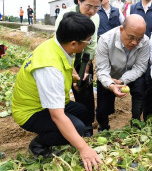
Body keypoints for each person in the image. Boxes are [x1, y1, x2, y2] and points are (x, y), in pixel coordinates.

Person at [12, 12, 102, 171]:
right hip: (30, 111)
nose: (88, 43)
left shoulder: (59, 45)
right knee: (78, 128)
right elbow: (57, 116)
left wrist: (76, 78)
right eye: (87, 41)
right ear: (74, 43)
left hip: (42, 102)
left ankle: (66, 136)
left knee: (82, 111)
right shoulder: (49, 69)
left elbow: (67, 66)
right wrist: (84, 149)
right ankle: (39, 145)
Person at [55, 0, 102, 137]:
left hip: (82, 58)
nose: (92, 11)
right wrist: (72, 74)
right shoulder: (65, 16)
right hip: (64, 57)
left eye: (96, 7)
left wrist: (83, 73)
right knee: (61, 92)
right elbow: (59, 46)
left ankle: (87, 128)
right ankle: (61, 125)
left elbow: (90, 47)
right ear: (79, 0)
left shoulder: (95, 18)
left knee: (85, 91)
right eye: (89, 6)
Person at [95, 14, 149, 131]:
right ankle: (103, 127)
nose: (135, 42)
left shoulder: (145, 41)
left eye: (139, 38)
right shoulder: (105, 40)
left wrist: (122, 80)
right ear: (121, 30)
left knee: (141, 87)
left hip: (131, 75)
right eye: (131, 37)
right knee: (103, 108)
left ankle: (135, 122)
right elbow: (101, 70)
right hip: (110, 76)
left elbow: (140, 67)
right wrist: (111, 83)